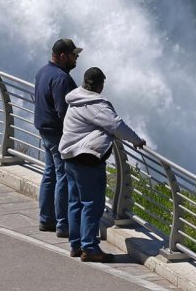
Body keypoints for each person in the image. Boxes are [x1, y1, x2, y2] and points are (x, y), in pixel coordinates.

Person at [59, 67, 146, 262]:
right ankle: (89, 248)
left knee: (76, 202)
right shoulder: (96, 105)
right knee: (92, 203)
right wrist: (136, 140)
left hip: (69, 157)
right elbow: (116, 125)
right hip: (86, 160)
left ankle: (76, 244)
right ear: (98, 84)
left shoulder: (75, 99)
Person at [33, 38, 82, 238]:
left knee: (50, 174)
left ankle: (46, 219)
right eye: (74, 55)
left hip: (45, 131)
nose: (76, 59)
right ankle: (63, 224)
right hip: (58, 134)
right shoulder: (62, 79)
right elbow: (65, 112)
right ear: (63, 56)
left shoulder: (42, 72)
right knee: (63, 176)